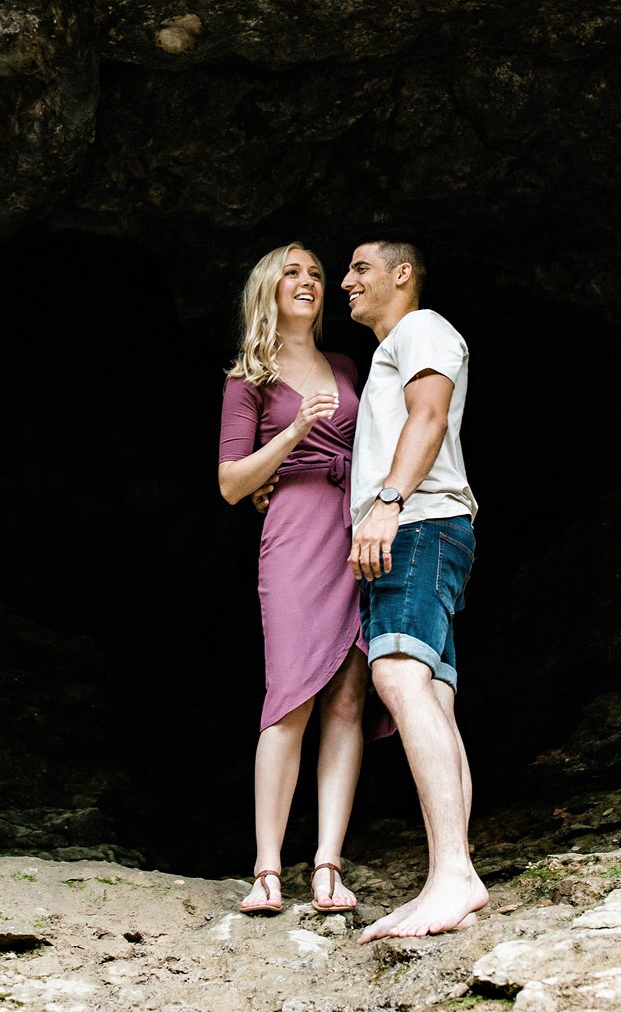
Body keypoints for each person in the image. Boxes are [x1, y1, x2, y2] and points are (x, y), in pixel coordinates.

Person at [217, 243, 373, 916]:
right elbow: (230, 484)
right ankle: (267, 869)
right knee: (289, 697)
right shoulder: (247, 376)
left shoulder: (345, 365)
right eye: (293, 271)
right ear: (268, 289)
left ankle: (328, 865)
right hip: (293, 529)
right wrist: (292, 436)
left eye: (315, 273)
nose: (308, 281)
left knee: (347, 700)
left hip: (356, 528)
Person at [340, 238, 486, 942]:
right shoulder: (395, 344)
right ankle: (450, 875)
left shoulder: (420, 329)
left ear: (403, 275)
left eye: (360, 268)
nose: (346, 282)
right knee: (434, 697)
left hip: (420, 525)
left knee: (397, 675)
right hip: (432, 528)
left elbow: (429, 416)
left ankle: (453, 874)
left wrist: (390, 501)